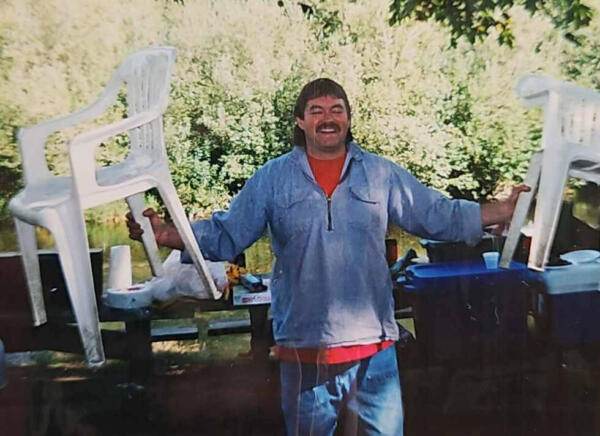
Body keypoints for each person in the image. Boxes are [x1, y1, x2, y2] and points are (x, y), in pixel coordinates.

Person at [127, 78, 528, 436]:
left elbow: (438, 215)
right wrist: (166, 234)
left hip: (375, 350)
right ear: (300, 122)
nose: (328, 118)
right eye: (316, 110)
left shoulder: (381, 174)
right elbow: (225, 233)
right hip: (305, 350)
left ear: (348, 119)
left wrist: (501, 211)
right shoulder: (272, 178)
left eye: (337, 109)